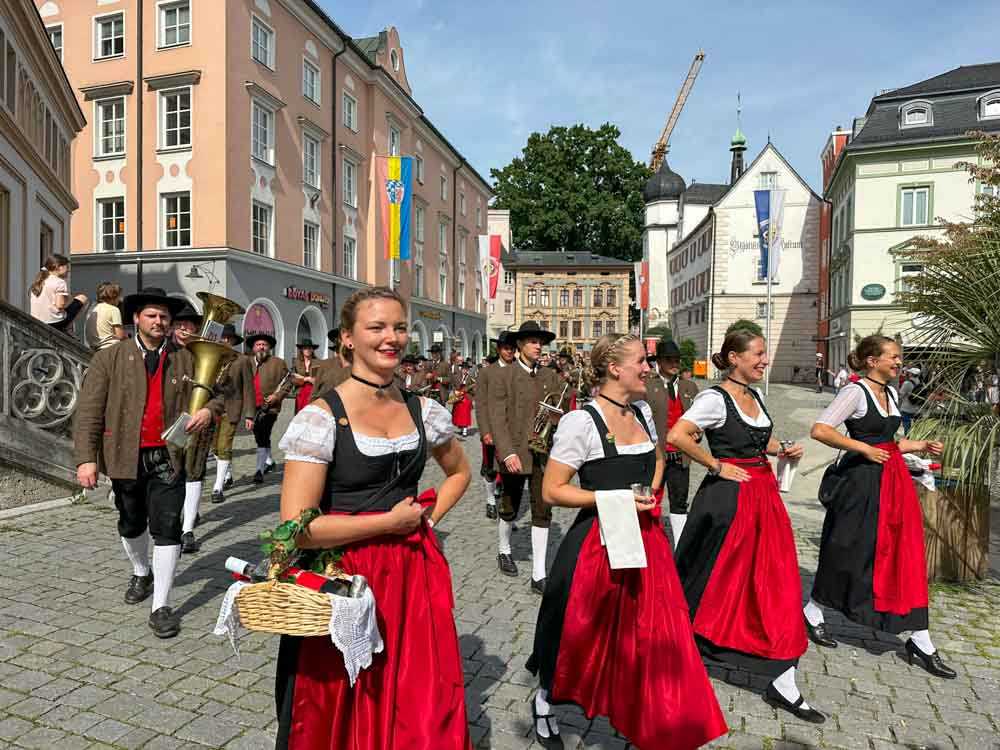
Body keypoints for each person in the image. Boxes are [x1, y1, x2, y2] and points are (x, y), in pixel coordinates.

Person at [274, 287, 472, 749]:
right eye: (377, 328)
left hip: (411, 574)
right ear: (347, 339)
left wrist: (425, 519)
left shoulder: (424, 409)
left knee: (417, 694)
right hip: (346, 578)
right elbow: (298, 530)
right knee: (343, 700)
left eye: (399, 327)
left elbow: (460, 473)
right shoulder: (321, 418)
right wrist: (389, 524)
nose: (392, 338)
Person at [525, 334, 728, 750]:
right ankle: (546, 699)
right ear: (615, 368)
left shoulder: (642, 412)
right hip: (596, 542)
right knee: (580, 631)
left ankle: (642, 711)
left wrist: (649, 492)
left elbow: (656, 458)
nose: (648, 368)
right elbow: (552, 490)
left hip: (645, 537)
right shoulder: (581, 421)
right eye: (641, 361)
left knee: (647, 631)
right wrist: (614, 500)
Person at [668, 329, 822, 722]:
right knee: (711, 578)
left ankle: (782, 677)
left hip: (763, 497)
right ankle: (681, 651)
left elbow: (758, 440)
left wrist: (782, 447)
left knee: (775, 580)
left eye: (765, 353)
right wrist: (717, 465)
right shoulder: (712, 398)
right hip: (728, 502)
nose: (764, 360)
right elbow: (678, 435)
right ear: (733, 358)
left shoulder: (755, 396)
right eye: (757, 353)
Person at [73, 287, 221, 638]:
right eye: (152, 315)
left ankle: (162, 606)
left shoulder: (186, 356)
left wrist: (207, 411)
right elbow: (89, 411)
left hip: (169, 454)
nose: (159, 321)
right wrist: (85, 460)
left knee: (168, 527)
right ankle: (142, 571)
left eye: (164, 316)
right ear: (137, 318)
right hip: (123, 455)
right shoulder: (110, 357)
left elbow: (217, 396)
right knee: (130, 523)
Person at [806, 336, 955, 679]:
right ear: (872, 360)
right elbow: (820, 430)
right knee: (847, 551)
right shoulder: (854, 392)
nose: (899, 362)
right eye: (894, 357)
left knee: (905, 553)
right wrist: (863, 448)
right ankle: (813, 611)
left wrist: (919, 445)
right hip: (860, 484)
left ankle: (921, 638)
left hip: (893, 483)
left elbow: (890, 441)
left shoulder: (889, 393)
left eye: (900, 358)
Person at [488, 321, 563, 594]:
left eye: (540, 342)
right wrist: (506, 452)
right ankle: (504, 549)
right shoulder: (503, 376)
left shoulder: (549, 376)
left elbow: (561, 407)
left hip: (542, 453)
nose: (538, 346)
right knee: (509, 506)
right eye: (533, 341)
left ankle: (539, 573)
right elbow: (496, 418)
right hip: (515, 453)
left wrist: (558, 416)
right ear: (519, 345)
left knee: (543, 509)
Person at [645, 339, 699, 545]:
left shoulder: (689, 386)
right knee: (652, 500)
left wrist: (697, 433)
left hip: (680, 456)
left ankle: (679, 547)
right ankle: (652, 543)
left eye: (677, 359)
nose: (674, 363)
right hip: (655, 457)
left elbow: (699, 419)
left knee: (679, 502)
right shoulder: (647, 385)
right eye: (669, 359)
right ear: (658, 361)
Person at [169, 303, 210, 554]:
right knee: (172, 475)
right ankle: (172, 520)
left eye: (189, 325)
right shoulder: (164, 353)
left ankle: (187, 529)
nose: (184, 329)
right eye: (179, 324)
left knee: (194, 474)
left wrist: (209, 410)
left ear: (196, 328)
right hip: (170, 425)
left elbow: (220, 390)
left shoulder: (203, 352)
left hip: (198, 423)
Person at [210, 324, 254, 502]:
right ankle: (227, 475)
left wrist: (250, 414)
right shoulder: (212, 356)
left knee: (224, 445)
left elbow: (248, 388)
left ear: (234, 341)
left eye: (229, 339)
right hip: (212, 407)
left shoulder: (242, 360)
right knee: (214, 447)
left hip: (232, 408)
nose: (226, 341)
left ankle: (217, 488)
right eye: (223, 338)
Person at [475, 332, 516, 519]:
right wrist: (485, 431)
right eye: (507, 348)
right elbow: (481, 404)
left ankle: (507, 510)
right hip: (492, 428)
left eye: (513, 348)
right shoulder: (487, 372)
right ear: (499, 349)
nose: (510, 352)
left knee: (511, 470)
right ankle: (490, 500)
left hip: (513, 430)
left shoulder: (520, 369)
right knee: (490, 469)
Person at [246, 333, 290, 483]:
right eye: (258, 344)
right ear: (253, 347)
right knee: (258, 433)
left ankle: (259, 470)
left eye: (264, 344)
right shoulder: (247, 362)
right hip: (251, 407)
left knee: (262, 436)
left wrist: (276, 397)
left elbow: (287, 383)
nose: (261, 347)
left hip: (269, 408)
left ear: (269, 347)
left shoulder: (278, 363)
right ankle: (269, 461)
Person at [29, 254, 89, 332]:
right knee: (83, 298)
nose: (68, 270)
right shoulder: (59, 282)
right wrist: (68, 299)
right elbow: (60, 305)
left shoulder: (39, 281)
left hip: (37, 322)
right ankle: (67, 328)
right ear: (59, 267)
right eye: (67, 267)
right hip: (54, 323)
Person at [85, 282, 126, 351]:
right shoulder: (114, 309)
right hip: (111, 348)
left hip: (94, 348)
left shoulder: (93, 309)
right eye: (119, 296)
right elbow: (120, 335)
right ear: (113, 296)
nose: (120, 299)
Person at [291, 339, 321, 414]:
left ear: (312, 350)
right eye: (305, 348)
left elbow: (321, 379)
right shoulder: (296, 363)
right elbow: (292, 379)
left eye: (309, 348)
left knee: (312, 415)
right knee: (300, 415)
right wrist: (306, 379)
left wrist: (302, 377)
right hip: (301, 393)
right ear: (302, 350)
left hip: (313, 393)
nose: (307, 350)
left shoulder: (319, 362)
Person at [450, 361, 474, 437]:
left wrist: (469, 390)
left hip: (467, 397)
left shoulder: (471, 377)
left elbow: (474, 388)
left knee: (465, 413)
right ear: (461, 369)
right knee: (458, 413)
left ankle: (465, 430)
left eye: (466, 369)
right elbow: (453, 385)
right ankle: (461, 428)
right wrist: (455, 392)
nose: (465, 370)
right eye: (464, 369)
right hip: (458, 397)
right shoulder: (456, 376)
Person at [898, 367, 922, 435]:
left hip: (906, 408)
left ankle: (908, 439)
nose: (908, 374)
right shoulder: (920, 383)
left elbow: (901, 395)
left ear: (911, 374)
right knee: (916, 427)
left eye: (909, 373)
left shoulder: (907, 383)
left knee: (907, 426)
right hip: (917, 408)